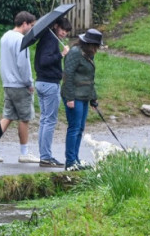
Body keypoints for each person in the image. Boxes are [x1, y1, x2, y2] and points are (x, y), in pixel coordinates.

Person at [0, 11, 38, 163]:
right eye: (31, 25)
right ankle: (24, 152)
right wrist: (29, 83)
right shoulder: (22, 39)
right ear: (25, 23)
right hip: (20, 84)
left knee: (7, 116)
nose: (31, 29)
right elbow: (23, 64)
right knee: (24, 118)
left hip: (7, 82)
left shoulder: (5, 36)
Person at [61, 29, 102, 171]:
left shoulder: (88, 54)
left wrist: (93, 98)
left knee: (80, 128)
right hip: (74, 96)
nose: (97, 49)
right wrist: (70, 98)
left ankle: (76, 160)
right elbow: (68, 76)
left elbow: (89, 79)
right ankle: (70, 161)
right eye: (96, 45)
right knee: (74, 128)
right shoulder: (75, 53)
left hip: (84, 95)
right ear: (89, 43)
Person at [35, 16, 72, 168]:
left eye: (67, 32)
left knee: (44, 120)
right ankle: (45, 156)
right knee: (49, 121)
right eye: (63, 30)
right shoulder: (50, 39)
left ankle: (44, 155)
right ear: (56, 26)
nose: (64, 34)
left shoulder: (46, 37)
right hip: (49, 84)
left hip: (41, 82)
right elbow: (45, 61)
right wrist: (62, 54)